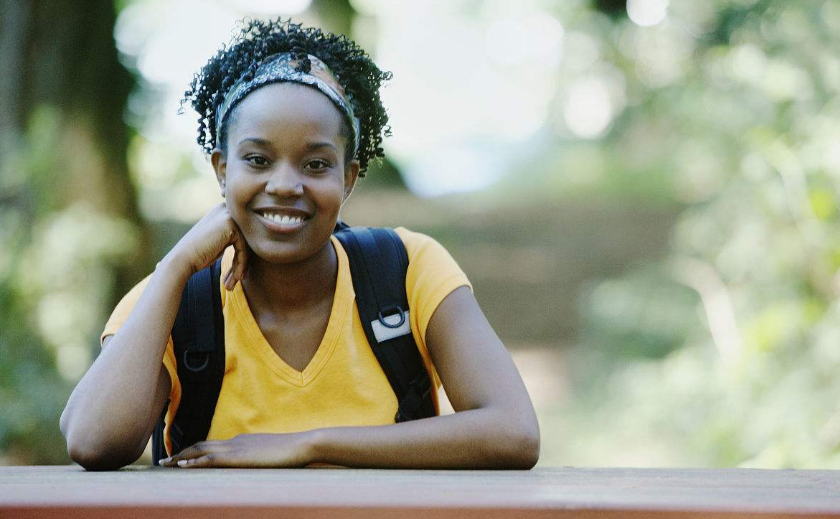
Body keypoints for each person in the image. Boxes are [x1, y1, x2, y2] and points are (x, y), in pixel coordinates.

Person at [59, 18, 540, 471]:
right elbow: (93, 441)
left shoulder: (408, 269)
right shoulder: (178, 299)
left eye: (315, 165)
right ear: (222, 170)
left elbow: (513, 431)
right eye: (257, 159)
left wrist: (309, 442)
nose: (285, 185)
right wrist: (178, 263)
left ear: (348, 177)